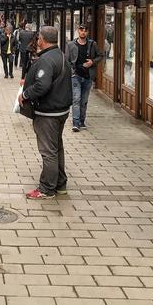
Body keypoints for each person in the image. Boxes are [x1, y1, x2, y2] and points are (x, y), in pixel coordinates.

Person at [18, 26, 73, 200]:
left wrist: (25, 94)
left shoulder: (46, 60)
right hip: (61, 110)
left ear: (42, 39)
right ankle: (60, 184)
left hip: (48, 112)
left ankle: (47, 188)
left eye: (39, 38)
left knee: (48, 151)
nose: (38, 41)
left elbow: (42, 85)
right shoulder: (61, 56)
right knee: (57, 149)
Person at [65, 24, 104, 132]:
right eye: (81, 30)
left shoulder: (92, 44)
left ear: (87, 32)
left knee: (84, 100)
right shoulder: (71, 45)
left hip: (88, 76)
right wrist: (71, 73)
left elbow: (100, 55)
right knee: (76, 99)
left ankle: (82, 121)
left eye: (85, 30)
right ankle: (76, 123)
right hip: (76, 76)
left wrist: (92, 62)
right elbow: (67, 61)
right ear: (78, 31)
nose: (83, 32)